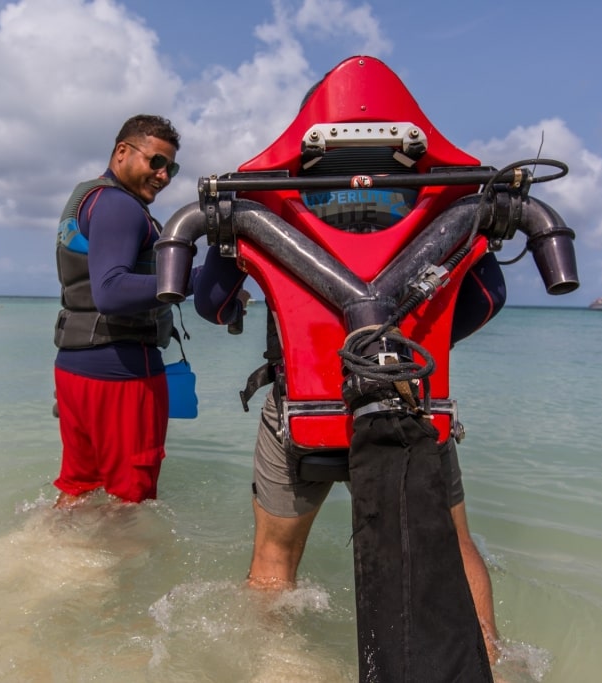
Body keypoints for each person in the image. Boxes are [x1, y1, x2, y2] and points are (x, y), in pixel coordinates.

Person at [194, 250, 505, 664]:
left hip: (304, 406)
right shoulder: (429, 188)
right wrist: (416, 341)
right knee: (454, 543)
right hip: (405, 393)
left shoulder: (269, 190)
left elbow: (212, 304)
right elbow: (488, 295)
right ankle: (492, 664)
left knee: (275, 557)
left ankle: (280, 667)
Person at [52, 114, 201, 508]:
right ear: (122, 152)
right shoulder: (120, 207)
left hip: (75, 367)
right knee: (129, 501)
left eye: (171, 167)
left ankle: (37, 557)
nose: (164, 175)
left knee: (78, 487)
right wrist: (190, 281)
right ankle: (120, 570)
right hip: (123, 373)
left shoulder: (89, 198)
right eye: (156, 162)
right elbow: (112, 291)